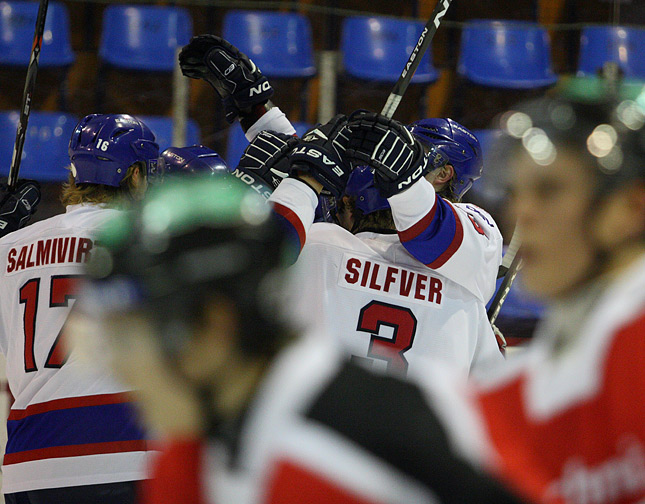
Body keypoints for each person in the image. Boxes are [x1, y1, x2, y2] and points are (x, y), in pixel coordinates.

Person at [80, 174, 526, 504]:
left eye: (126, 339)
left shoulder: (349, 454)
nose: (115, 366)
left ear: (212, 326)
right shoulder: (187, 457)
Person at [179, 35, 505, 377]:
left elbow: (308, 183)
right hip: (422, 425)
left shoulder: (319, 246)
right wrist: (257, 109)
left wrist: (268, 151)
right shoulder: (465, 281)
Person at [473, 90, 645, 503]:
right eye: (517, 193)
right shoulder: (524, 383)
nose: (522, 215)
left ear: (631, 208)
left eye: (548, 190)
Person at [0, 113, 158, 503]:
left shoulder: (10, 247)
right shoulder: (150, 238)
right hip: (119, 455)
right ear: (135, 176)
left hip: (26, 465)